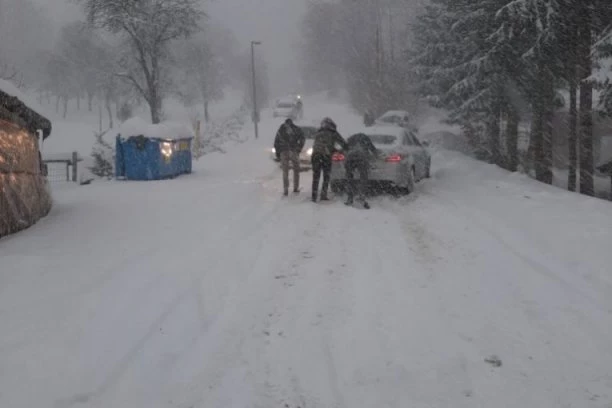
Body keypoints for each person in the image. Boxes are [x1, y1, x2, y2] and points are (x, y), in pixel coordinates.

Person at [311, 117, 347, 202]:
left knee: (316, 176)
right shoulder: (333, 133)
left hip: (315, 155)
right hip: (325, 156)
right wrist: (340, 150)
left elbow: (320, 144)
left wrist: (332, 149)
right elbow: (343, 143)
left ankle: (314, 196)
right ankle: (323, 195)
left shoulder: (318, 132)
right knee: (326, 176)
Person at [344, 133, 379, 209]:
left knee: (349, 177)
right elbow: (373, 149)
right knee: (363, 177)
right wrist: (378, 156)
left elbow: (344, 148)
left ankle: (350, 198)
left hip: (350, 157)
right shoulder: (366, 138)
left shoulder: (350, 139)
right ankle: (361, 197)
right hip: (361, 157)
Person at [274, 118, 305, 196]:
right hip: (293, 151)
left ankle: (285, 189)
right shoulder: (296, 129)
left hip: (283, 151)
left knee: (285, 171)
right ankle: (296, 187)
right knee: (296, 170)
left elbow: (276, 142)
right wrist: (299, 148)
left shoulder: (281, 130)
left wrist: (278, 153)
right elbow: (302, 138)